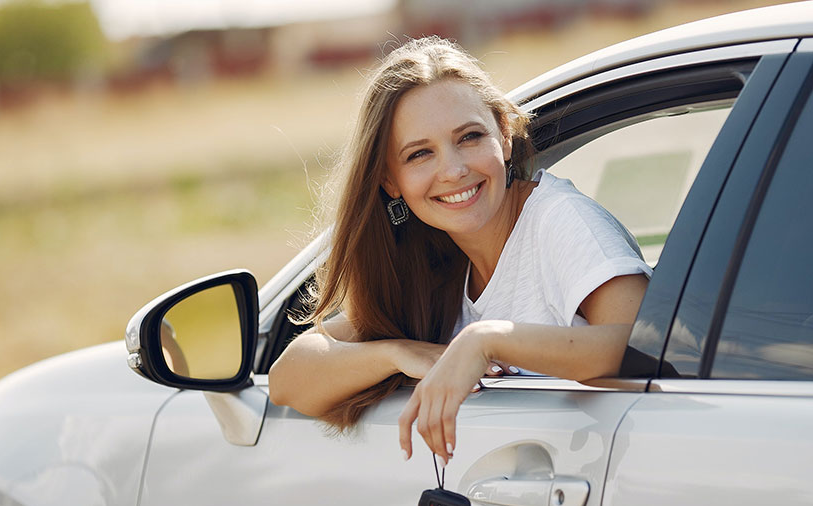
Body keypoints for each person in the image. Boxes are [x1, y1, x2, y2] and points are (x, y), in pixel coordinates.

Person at [269, 36, 651, 467]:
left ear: (504, 137)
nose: (452, 170)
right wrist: (398, 352)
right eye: (419, 154)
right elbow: (287, 379)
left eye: (469, 137)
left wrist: (486, 341)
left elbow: (651, 351)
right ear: (390, 181)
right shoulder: (432, 261)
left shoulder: (560, 220)